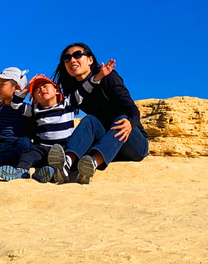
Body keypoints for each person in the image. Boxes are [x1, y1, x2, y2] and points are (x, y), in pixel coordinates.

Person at [48, 43, 148, 184]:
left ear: (90, 60)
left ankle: (91, 165)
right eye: (67, 58)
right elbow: (57, 110)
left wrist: (130, 123)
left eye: (77, 55)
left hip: (132, 143)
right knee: (89, 120)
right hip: (105, 142)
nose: (72, 60)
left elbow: (131, 108)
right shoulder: (74, 91)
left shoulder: (108, 76)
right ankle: (66, 164)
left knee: (121, 118)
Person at [0, 73, 93, 182]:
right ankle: (21, 171)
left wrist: (98, 77)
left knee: (59, 161)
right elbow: (15, 104)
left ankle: (46, 174)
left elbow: (84, 89)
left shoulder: (67, 103)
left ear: (57, 90)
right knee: (27, 156)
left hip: (62, 148)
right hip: (41, 148)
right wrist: (28, 88)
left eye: (45, 86)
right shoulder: (35, 109)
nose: (41, 89)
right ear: (35, 98)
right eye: (37, 90)